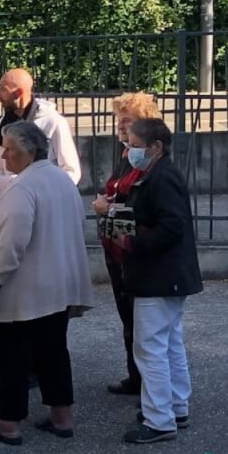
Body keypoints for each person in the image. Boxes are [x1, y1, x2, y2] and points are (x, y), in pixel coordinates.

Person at [0, 122, 93, 446]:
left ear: (28, 150)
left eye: (10, 148)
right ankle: (61, 417)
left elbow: (11, 243)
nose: (5, 153)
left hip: (22, 294)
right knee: (53, 353)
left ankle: (8, 424)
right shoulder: (60, 180)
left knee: (10, 357)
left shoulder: (22, 188)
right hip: (58, 288)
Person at [115, 118, 202, 445]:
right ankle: (175, 406)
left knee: (150, 347)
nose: (129, 152)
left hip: (159, 275)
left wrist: (131, 241)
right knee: (168, 343)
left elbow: (171, 226)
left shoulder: (162, 177)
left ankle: (159, 418)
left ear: (155, 147)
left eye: (134, 146)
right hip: (168, 275)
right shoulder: (159, 173)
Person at [96, 92, 164, 396]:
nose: (121, 124)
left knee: (142, 322)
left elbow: (137, 201)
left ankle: (149, 386)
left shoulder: (145, 160)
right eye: (119, 118)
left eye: (129, 118)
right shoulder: (126, 154)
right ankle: (136, 377)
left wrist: (108, 206)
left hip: (131, 247)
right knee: (128, 316)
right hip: (117, 246)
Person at [0, 68, 83, 205]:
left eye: (3, 90)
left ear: (18, 93)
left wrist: (44, 195)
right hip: (13, 202)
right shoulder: (4, 124)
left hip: (47, 204)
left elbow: (71, 171)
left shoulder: (53, 121)